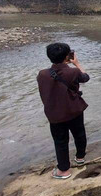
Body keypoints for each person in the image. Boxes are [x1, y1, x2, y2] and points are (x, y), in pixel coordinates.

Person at [37, 43, 90, 179]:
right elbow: (85, 78)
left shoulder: (42, 74)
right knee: (79, 134)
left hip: (54, 114)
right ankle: (80, 158)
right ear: (67, 56)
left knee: (60, 141)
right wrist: (77, 63)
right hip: (74, 110)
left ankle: (64, 170)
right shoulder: (73, 72)